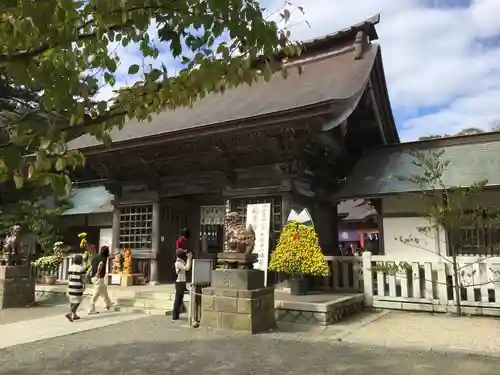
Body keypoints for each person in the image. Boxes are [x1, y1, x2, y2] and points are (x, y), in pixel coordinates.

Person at [88, 246, 113, 314]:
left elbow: (91, 266)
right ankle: (91, 308)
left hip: (93, 277)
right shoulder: (103, 258)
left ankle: (108, 303)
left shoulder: (95, 257)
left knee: (104, 289)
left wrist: (89, 273)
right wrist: (98, 273)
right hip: (98, 277)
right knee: (96, 293)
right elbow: (100, 265)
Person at [172, 248, 192, 321]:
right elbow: (187, 268)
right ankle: (174, 315)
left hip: (182, 282)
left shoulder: (181, 261)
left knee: (180, 299)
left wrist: (187, 257)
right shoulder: (178, 262)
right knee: (178, 299)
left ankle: (176, 315)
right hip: (179, 282)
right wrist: (189, 258)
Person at [65, 254, 85, 322]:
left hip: (70, 285)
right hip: (77, 286)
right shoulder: (81, 268)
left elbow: (69, 276)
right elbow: (82, 278)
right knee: (78, 301)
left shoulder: (70, 267)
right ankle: (70, 313)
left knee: (72, 301)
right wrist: (84, 286)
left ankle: (74, 315)